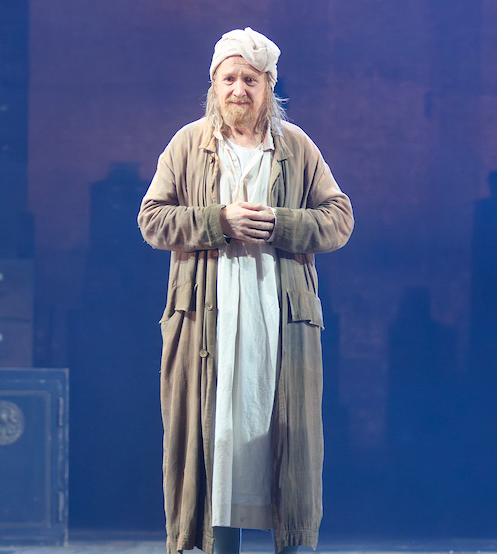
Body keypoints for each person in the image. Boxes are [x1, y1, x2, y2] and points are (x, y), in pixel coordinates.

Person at [138, 28, 353, 554]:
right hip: (208, 325)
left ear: (269, 86)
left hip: (276, 322)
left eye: (250, 80)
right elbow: (152, 219)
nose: (239, 89)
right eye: (228, 79)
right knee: (216, 445)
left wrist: (281, 223)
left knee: (282, 445)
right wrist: (219, 220)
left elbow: (339, 218)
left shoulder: (296, 147)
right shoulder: (188, 144)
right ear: (213, 85)